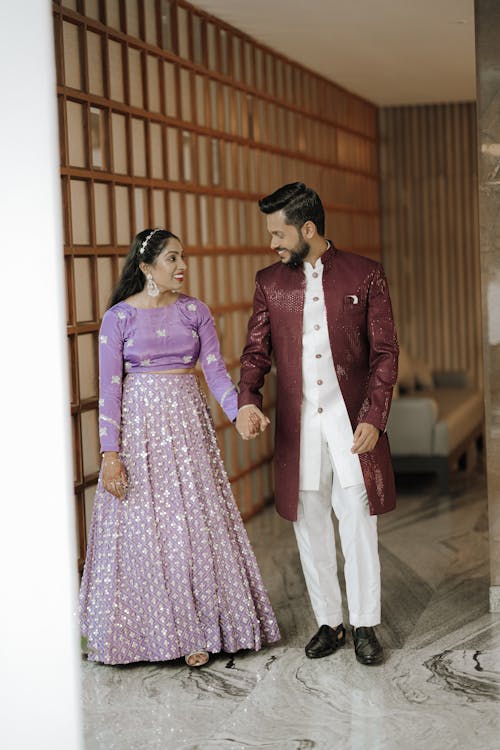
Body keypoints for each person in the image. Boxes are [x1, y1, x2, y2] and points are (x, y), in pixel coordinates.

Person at [80, 228, 280, 667]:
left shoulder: (195, 312)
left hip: (189, 433)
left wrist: (241, 411)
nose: (182, 265)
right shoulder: (119, 319)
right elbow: (109, 391)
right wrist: (110, 454)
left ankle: (201, 630)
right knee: (146, 527)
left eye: (183, 257)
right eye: (172, 259)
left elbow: (216, 373)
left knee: (193, 523)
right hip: (140, 433)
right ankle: (149, 635)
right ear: (147, 268)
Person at [236, 183, 398, 666]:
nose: (273, 244)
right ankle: (330, 622)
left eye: (279, 233)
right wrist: (248, 399)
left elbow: (386, 354)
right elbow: (255, 353)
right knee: (309, 524)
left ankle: (366, 624)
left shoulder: (366, 274)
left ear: (308, 229)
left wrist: (373, 416)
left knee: (358, 520)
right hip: (298, 427)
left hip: (351, 425)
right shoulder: (270, 281)